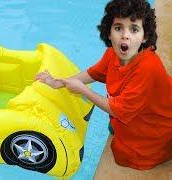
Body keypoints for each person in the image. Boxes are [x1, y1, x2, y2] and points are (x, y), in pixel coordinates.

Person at [36, 0, 172, 170]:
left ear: (145, 36)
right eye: (118, 28)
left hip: (157, 125)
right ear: (109, 33)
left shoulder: (148, 67)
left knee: (125, 156)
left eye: (134, 29)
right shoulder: (113, 53)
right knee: (116, 130)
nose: (125, 35)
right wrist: (60, 82)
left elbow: (118, 110)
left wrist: (83, 90)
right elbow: (95, 73)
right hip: (131, 114)